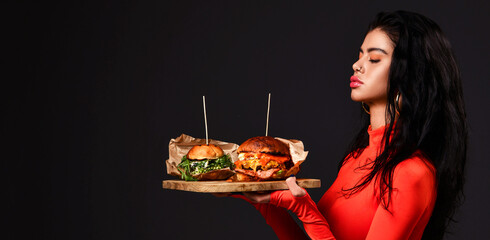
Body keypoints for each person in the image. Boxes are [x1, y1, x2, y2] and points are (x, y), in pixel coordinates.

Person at [220, 10, 468, 240]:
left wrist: (305, 210)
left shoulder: (411, 173)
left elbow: (312, 220)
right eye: (360, 54)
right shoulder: (356, 156)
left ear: (410, 78)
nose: (357, 65)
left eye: (374, 58)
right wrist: (266, 204)